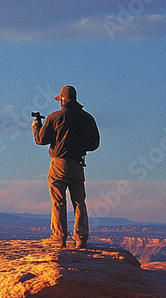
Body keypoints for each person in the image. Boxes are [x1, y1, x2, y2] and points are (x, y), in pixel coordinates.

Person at [32, 85, 100, 249]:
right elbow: (94, 144)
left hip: (59, 163)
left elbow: (41, 140)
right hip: (77, 164)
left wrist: (36, 127)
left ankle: (59, 237)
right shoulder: (88, 118)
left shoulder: (55, 117)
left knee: (58, 201)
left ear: (62, 99)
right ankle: (81, 238)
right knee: (79, 202)